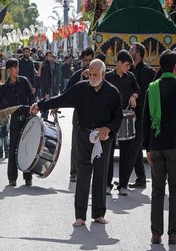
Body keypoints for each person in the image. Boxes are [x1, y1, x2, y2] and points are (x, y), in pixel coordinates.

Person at [31, 59, 123, 227]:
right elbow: (62, 99)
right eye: (90, 74)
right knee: (83, 175)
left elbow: (118, 117)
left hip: (103, 139)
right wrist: (40, 105)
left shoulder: (113, 92)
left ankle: (99, 213)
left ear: (103, 74)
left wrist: (108, 129)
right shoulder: (81, 89)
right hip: (84, 136)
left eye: (96, 74)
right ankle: (80, 216)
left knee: (101, 176)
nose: (92, 77)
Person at [144, 49, 176, 245]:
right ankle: (174, 233)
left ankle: (156, 234)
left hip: (156, 146)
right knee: (175, 190)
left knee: (157, 190)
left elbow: (145, 121)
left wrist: (146, 148)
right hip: (174, 146)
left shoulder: (152, 88)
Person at [0, 58, 36, 186]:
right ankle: (12, 178)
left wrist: (33, 108)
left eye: (18, 67)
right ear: (9, 70)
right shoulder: (4, 87)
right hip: (14, 122)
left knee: (27, 148)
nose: (17, 69)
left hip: (27, 120)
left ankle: (28, 177)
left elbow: (31, 96)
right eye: (15, 67)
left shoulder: (23, 81)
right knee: (13, 148)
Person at [105, 50, 140, 196]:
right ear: (118, 63)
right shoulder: (107, 77)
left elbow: (138, 89)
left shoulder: (130, 77)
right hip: (110, 120)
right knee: (109, 152)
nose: (128, 68)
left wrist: (134, 96)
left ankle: (123, 185)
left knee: (126, 153)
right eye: (126, 65)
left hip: (126, 118)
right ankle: (107, 184)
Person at [128, 42, 156, 189]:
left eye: (132, 49)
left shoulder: (148, 72)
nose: (129, 50)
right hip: (131, 115)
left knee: (133, 148)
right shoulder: (130, 71)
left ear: (138, 53)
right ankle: (141, 179)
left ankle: (123, 181)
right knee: (136, 147)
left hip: (144, 116)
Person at [64, 47, 94, 183]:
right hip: (79, 113)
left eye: (90, 60)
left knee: (94, 143)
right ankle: (73, 172)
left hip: (95, 114)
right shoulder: (77, 75)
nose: (88, 63)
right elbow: (66, 92)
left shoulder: (100, 74)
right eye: (86, 60)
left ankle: (91, 171)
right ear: (82, 60)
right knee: (76, 143)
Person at [0, 83, 9, 158]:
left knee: (0, 136)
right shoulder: (7, 97)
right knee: (6, 135)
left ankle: (0, 152)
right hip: (6, 117)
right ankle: (7, 152)